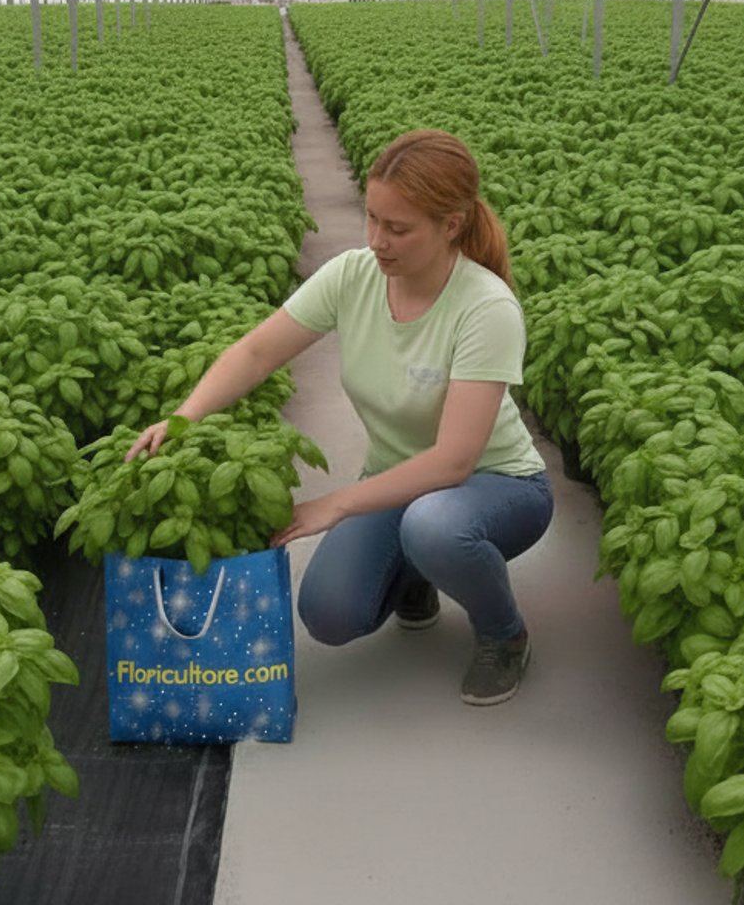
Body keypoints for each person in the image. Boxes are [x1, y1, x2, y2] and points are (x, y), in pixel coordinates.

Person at [126, 129, 552, 707]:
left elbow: (454, 460)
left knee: (434, 526)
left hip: (497, 486)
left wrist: (336, 504)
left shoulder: (486, 308)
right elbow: (256, 351)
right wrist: (183, 418)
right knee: (328, 613)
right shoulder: (354, 275)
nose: (378, 240)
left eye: (398, 228)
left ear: (451, 225)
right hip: (401, 482)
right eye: (372, 219)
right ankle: (417, 574)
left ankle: (505, 635)